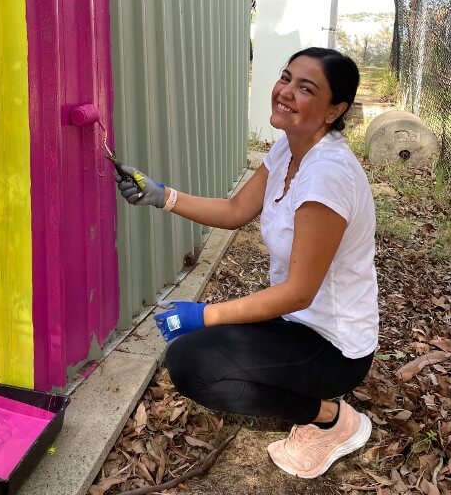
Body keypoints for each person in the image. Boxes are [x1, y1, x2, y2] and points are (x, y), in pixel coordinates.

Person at [114, 47, 378, 480]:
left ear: (334, 110)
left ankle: (332, 418)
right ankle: (320, 408)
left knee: (192, 367)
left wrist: (204, 314)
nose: (285, 92)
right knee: (190, 353)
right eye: (286, 77)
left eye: (306, 88)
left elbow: (298, 291)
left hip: (333, 346)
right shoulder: (288, 149)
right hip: (294, 323)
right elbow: (237, 209)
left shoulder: (327, 175)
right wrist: (162, 196)